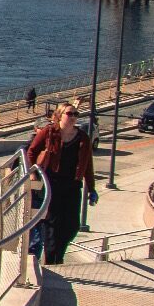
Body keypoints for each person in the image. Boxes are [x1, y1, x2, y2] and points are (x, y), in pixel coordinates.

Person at [25, 103, 98, 264]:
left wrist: (92, 188)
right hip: (51, 184)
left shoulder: (82, 137)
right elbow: (31, 152)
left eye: (76, 114)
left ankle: (59, 254)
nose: (73, 117)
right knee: (52, 224)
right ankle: (52, 261)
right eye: (69, 114)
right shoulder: (49, 132)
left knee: (72, 226)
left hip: (73, 186)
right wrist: (33, 174)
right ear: (59, 115)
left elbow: (88, 165)